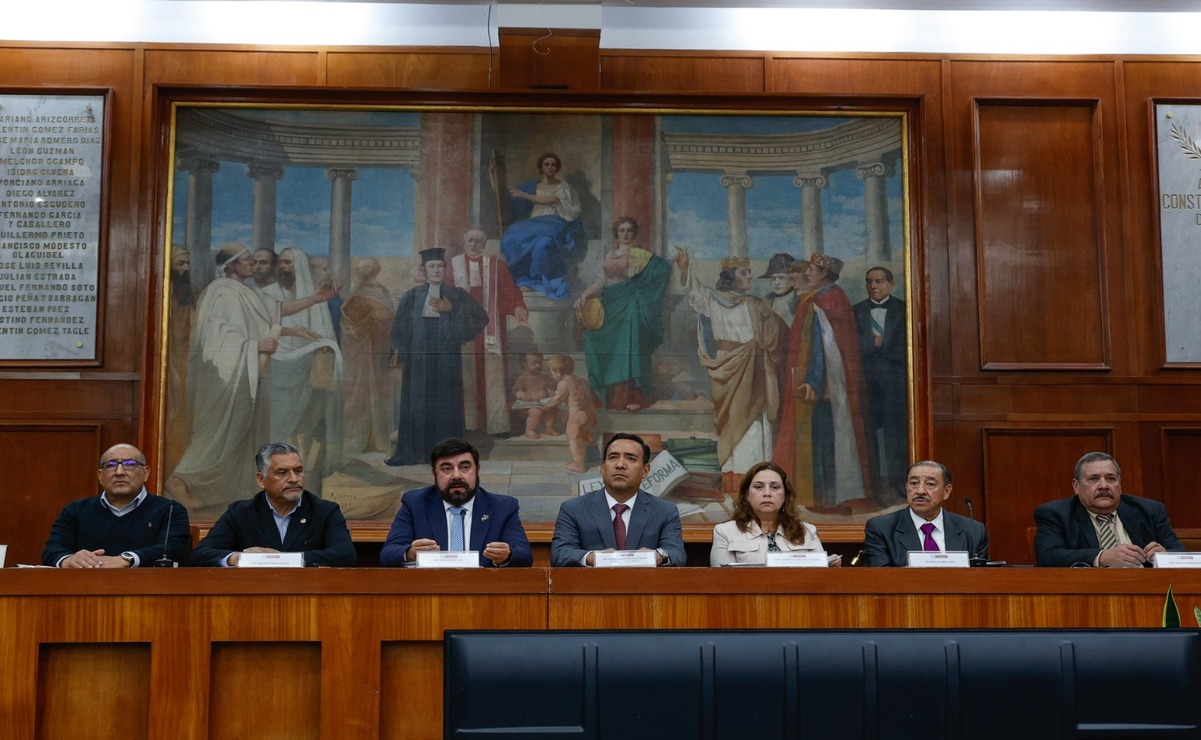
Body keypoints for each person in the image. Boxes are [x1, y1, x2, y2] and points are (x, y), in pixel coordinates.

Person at [166, 243, 339, 517]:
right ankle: (181, 479)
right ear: (232, 265)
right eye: (247, 260)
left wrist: (314, 301)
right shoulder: (219, 292)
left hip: (245, 376)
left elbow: (276, 309)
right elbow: (216, 339)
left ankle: (226, 490)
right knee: (217, 432)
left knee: (242, 433)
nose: (253, 264)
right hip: (223, 378)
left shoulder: (246, 292)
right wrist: (256, 345)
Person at [775, 254, 873, 510]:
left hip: (826, 386)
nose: (806, 273)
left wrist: (813, 380)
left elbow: (823, 344)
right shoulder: (827, 297)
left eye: (811, 270)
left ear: (824, 274)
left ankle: (825, 498)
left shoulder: (824, 300)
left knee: (823, 438)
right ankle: (826, 496)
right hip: (830, 384)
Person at [675, 249, 784, 473]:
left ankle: (755, 471)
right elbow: (693, 292)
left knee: (755, 419)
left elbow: (775, 332)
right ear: (730, 276)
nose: (750, 277)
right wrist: (685, 269)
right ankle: (734, 473)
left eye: (750, 272)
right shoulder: (713, 300)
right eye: (744, 272)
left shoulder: (757, 303)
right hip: (728, 365)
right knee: (731, 420)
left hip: (755, 366)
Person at [386, 247, 489, 466]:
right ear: (423, 270)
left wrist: (453, 309)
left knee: (445, 404)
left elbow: (481, 317)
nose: (436, 270)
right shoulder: (412, 296)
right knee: (417, 404)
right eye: (432, 266)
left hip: (447, 358)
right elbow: (399, 327)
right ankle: (412, 453)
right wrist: (397, 348)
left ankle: (446, 455)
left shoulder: (457, 294)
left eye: (440, 266)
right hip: (418, 359)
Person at [188, 442, 356, 567]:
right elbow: (200, 555)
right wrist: (239, 558)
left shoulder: (325, 511)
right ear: (261, 480)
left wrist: (284, 559)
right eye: (282, 473)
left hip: (309, 598)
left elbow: (345, 555)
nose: (294, 479)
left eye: (298, 471)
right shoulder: (241, 513)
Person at [379, 438, 532, 568]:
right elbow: (387, 554)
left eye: (465, 467)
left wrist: (506, 556)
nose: (457, 475)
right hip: (430, 595)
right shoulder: (415, 503)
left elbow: (524, 556)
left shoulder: (503, 507)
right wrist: (410, 553)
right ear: (434, 474)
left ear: (477, 470)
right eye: (447, 468)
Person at [262, 247, 344, 484]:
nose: (282, 267)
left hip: (308, 368)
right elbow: (263, 326)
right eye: (280, 262)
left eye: (287, 262)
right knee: (280, 421)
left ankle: (307, 468)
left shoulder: (314, 295)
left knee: (309, 420)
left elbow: (324, 334)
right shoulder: (268, 293)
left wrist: (322, 347)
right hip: (278, 366)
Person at [575, 217, 672, 412]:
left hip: (628, 305)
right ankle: (606, 395)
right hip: (609, 303)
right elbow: (603, 279)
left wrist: (638, 290)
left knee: (628, 348)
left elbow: (662, 269)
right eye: (622, 230)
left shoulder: (639, 255)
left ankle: (632, 396)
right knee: (600, 342)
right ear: (616, 233)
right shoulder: (610, 254)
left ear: (634, 234)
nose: (625, 234)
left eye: (629, 230)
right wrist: (585, 294)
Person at [42, 443, 191, 568]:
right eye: (111, 465)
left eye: (130, 464)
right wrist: (69, 560)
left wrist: (126, 559)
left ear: (146, 473)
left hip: (146, 593)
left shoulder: (170, 510)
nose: (119, 472)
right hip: (85, 592)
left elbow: (173, 550)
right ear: (100, 476)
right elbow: (52, 550)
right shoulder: (76, 510)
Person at [550, 433, 686, 566]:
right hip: (592, 586)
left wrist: (658, 556)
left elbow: (676, 554)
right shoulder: (573, 509)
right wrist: (593, 558)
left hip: (645, 585)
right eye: (613, 457)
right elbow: (560, 553)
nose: (620, 465)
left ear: (645, 470)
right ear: (603, 468)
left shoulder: (665, 511)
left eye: (631, 459)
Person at [1034, 452, 1183, 568]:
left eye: (1111, 478)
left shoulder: (1150, 510)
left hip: (1145, 590)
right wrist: (1102, 557)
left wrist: (1165, 557)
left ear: (1120, 485)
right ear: (1076, 486)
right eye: (1094, 479)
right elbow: (1048, 557)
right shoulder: (1055, 514)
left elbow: (1180, 554)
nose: (1104, 486)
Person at [447, 228, 528, 436]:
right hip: (463, 329)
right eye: (470, 240)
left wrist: (517, 306)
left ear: (484, 245)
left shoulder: (496, 265)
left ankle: (496, 423)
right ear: (464, 242)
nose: (474, 245)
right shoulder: (451, 266)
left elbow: (510, 291)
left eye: (478, 241)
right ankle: (468, 423)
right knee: (466, 373)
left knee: (491, 372)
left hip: (490, 328)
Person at [710, 461, 839, 566]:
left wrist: (831, 568)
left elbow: (821, 580)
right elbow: (722, 583)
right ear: (746, 495)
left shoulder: (807, 532)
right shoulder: (725, 532)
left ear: (785, 496)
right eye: (758, 487)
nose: (767, 493)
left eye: (775, 487)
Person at [863, 460, 989, 566]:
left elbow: (982, 579)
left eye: (930, 484)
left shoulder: (973, 531)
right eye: (913, 483)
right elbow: (880, 579)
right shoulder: (881, 528)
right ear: (906, 487)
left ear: (946, 491)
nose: (920, 491)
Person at [497, 152, 584, 298]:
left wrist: (523, 195)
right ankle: (522, 278)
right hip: (534, 225)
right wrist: (496, 182)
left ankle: (538, 281)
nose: (550, 167)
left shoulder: (562, 186)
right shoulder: (531, 186)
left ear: (557, 168)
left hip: (554, 223)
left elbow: (549, 200)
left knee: (543, 243)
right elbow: (507, 196)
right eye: (547, 164)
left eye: (553, 164)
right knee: (512, 234)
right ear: (541, 167)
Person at [854, 266, 908, 497]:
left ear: (891, 284)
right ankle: (872, 485)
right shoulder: (855, 311)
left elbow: (911, 346)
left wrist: (883, 345)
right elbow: (850, 344)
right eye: (869, 281)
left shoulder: (904, 309)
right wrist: (872, 344)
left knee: (894, 432)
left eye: (878, 281)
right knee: (867, 431)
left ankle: (897, 481)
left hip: (895, 382)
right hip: (865, 381)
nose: (873, 286)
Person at [340, 257, 396, 455]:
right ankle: (362, 439)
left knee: (364, 394)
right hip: (359, 354)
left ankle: (364, 440)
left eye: (360, 270)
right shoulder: (373, 292)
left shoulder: (370, 294)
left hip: (370, 353)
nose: (356, 273)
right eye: (356, 269)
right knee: (358, 395)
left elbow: (384, 320)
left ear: (371, 272)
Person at [541, 354, 598, 473]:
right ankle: (586, 434)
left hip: (577, 416)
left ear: (558, 372)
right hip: (588, 414)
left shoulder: (564, 382)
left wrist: (546, 406)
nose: (552, 376)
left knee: (573, 439)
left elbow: (557, 399)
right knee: (568, 421)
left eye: (551, 373)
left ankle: (579, 465)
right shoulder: (580, 380)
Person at [512, 352, 558, 439]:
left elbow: (554, 387)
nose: (538, 365)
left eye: (540, 363)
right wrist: (520, 393)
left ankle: (549, 428)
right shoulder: (523, 377)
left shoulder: (543, 377)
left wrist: (554, 381)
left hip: (542, 402)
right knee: (537, 412)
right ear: (524, 364)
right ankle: (530, 430)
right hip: (528, 403)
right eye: (534, 363)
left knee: (553, 409)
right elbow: (516, 389)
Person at [759, 252, 799, 327]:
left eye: (781, 278)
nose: (776, 283)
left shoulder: (799, 301)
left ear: (792, 280)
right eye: (773, 278)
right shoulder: (765, 302)